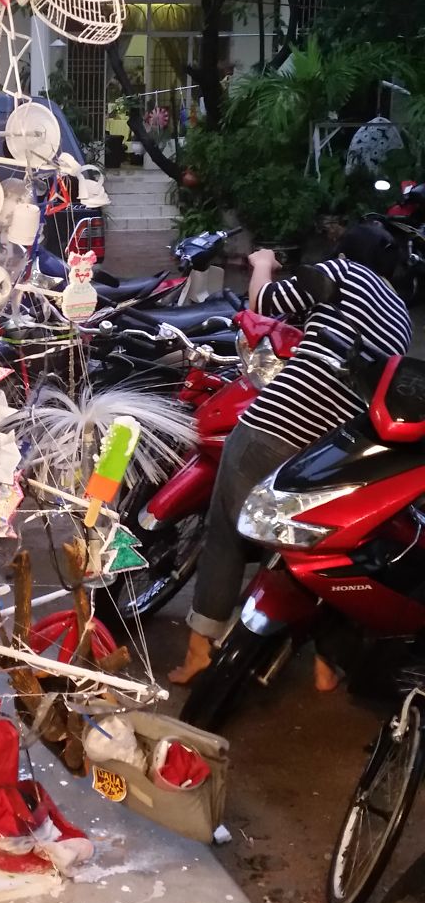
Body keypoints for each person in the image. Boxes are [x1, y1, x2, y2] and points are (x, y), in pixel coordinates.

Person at [170, 223, 411, 688]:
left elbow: (264, 303)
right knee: (309, 554)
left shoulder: (345, 273)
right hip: (332, 452)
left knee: (226, 532)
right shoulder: (400, 316)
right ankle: (326, 664)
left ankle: (200, 651)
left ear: (347, 253)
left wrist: (262, 264)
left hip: (277, 426)